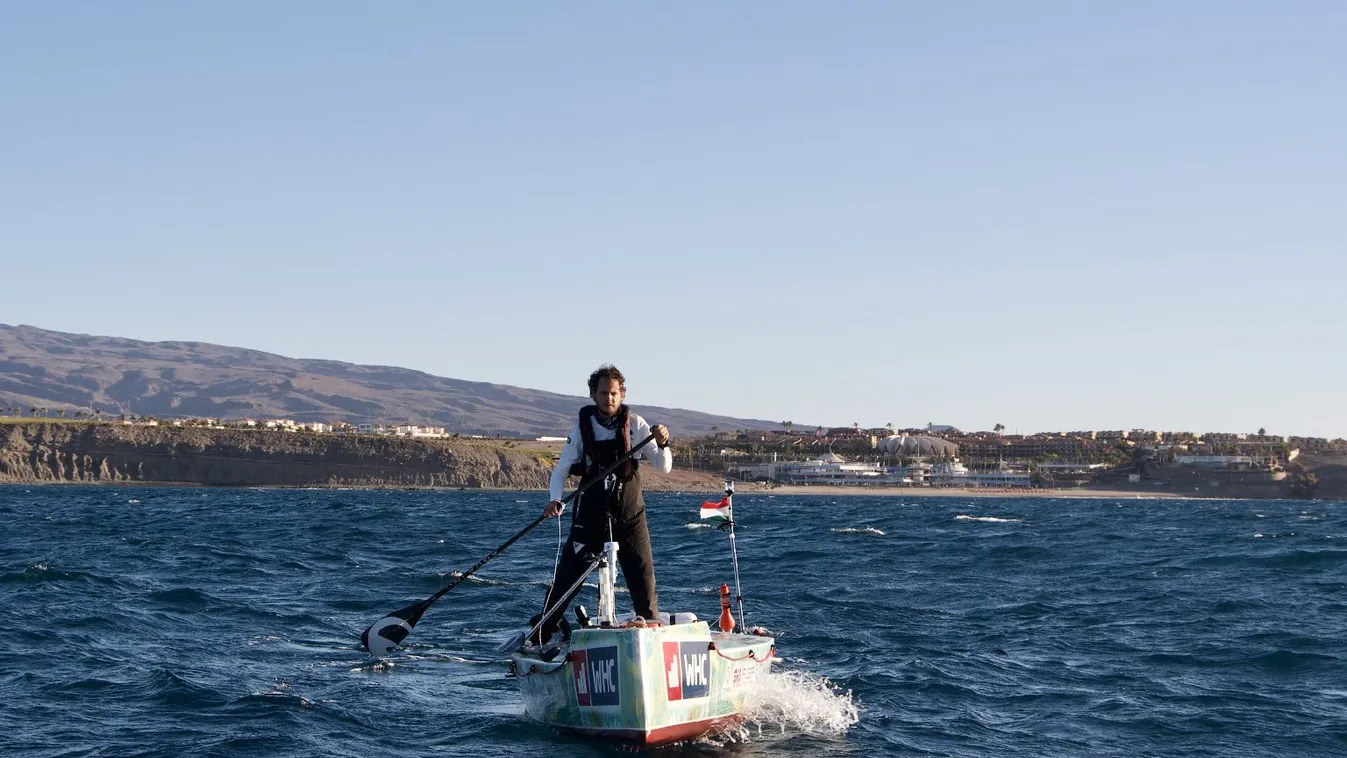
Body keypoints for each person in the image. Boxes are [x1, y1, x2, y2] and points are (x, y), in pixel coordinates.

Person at [532, 364, 672, 645]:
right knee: (568, 577)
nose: (609, 398)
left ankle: (650, 638)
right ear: (593, 395)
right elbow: (560, 471)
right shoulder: (581, 430)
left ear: (622, 394)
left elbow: (663, 466)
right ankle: (540, 636)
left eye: (614, 393)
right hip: (591, 518)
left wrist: (664, 443)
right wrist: (555, 500)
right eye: (603, 393)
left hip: (630, 517)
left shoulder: (636, 425)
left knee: (643, 578)